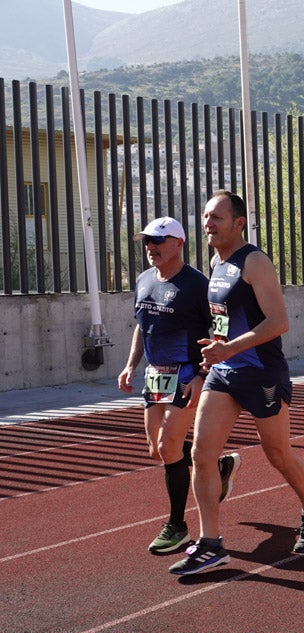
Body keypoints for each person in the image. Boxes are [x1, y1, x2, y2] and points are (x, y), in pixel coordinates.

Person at [168, 191, 304, 575]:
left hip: (261, 372)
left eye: (217, 217)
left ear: (238, 222)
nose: (208, 223)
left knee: (277, 453)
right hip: (224, 373)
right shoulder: (215, 262)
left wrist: (231, 348)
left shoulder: (254, 262)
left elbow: (278, 322)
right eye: (206, 216)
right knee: (201, 455)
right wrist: (213, 356)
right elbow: (226, 319)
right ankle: (211, 543)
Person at [117, 216, 240, 555]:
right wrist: (130, 365)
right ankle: (218, 466)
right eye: (146, 241)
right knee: (158, 449)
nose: (150, 247)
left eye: (157, 240)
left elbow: (219, 329)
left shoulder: (197, 285)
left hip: (186, 374)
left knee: (171, 444)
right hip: (155, 374)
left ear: (179, 243)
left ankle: (178, 526)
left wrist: (202, 375)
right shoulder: (143, 280)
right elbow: (142, 326)